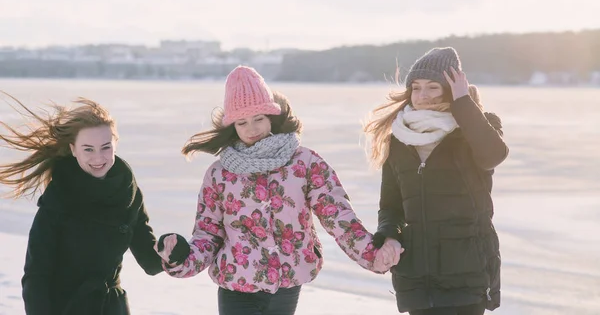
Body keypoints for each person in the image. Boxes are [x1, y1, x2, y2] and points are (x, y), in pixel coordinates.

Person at [154, 65, 398, 315]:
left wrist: (372, 254)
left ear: (272, 115)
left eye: (259, 118)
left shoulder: (304, 162)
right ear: (232, 125)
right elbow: (208, 233)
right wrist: (182, 258)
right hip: (236, 285)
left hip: (287, 280)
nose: (252, 129)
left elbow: (336, 215)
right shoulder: (219, 174)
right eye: (242, 122)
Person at [363, 47, 509, 315]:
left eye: (433, 87)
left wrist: (464, 103)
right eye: (416, 88)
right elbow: (391, 206)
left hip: (466, 273)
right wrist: (389, 236)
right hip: (416, 276)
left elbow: (493, 155)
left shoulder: (475, 128)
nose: (423, 96)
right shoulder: (399, 139)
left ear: (451, 88)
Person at [0, 93, 163, 315]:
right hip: (65, 307)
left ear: (116, 144)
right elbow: (36, 277)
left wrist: (172, 249)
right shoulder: (57, 200)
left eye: (106, 147)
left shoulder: (128, 192)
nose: (98, 158)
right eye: (88, 149)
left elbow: (151, 261)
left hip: (110, 307)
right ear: (73, 149)